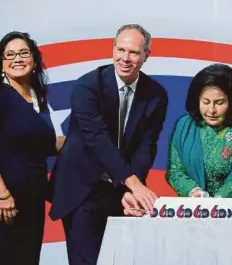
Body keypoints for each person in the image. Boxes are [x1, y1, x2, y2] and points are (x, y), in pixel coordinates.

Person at [49, 24, 168, 265]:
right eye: (120, 49)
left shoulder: (156, 94)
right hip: (82, 189)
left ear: (146, 55)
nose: (125, 58)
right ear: (112, 48)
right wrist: (134, 185)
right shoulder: (87, 86)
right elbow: (98, 140)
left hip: (120, 190)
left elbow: (147, 146)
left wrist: (128, 191)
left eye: (134, 52)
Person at [122, 63, 232, 216]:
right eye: (205, 102)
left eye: (219, 103)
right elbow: (175, 172)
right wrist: (196, 194)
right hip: (193, 212)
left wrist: (213, 205)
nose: (211, 110)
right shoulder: (184, 125)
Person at [0, 31, 61, 264]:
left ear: (34, 60)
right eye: (10, 55)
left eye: (24, 53)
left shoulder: (38, 97)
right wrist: (3, 195)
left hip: (33, 199)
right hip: (6, 202)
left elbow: (45, 144)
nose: (18, 59)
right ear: (2, 64)